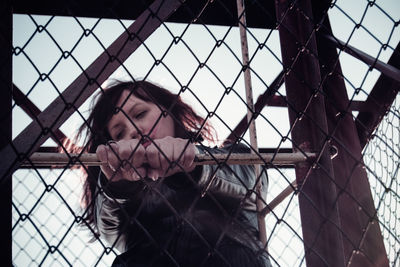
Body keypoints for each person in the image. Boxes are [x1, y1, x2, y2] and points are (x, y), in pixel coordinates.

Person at [76, 80, 271, 266]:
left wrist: (193, 163)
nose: (134, 130)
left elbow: (253, 176)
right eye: (119, 133)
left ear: (168, 110)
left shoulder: (230, 157)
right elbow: (108, 226)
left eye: (140, 114)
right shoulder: (116, 202)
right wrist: (118, 184)